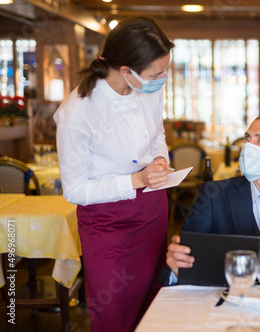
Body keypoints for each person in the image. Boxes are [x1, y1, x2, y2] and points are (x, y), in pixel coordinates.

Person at [54, 17, 174, 332]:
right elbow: (75, 191)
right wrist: (137, 180)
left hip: (152, 211)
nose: (163, 78)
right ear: (126, 71)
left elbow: (157, 133)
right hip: (109, 225)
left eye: (165, 70)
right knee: (113, 314)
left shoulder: (146, 87)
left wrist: (160, 158)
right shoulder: (78, 112)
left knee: (154, 304)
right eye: (156, 73)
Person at [160, 113, 260, 284]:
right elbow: (179, 266)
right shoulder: (213, 197)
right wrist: (176, 269)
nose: (248, 146)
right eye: (248, 138)